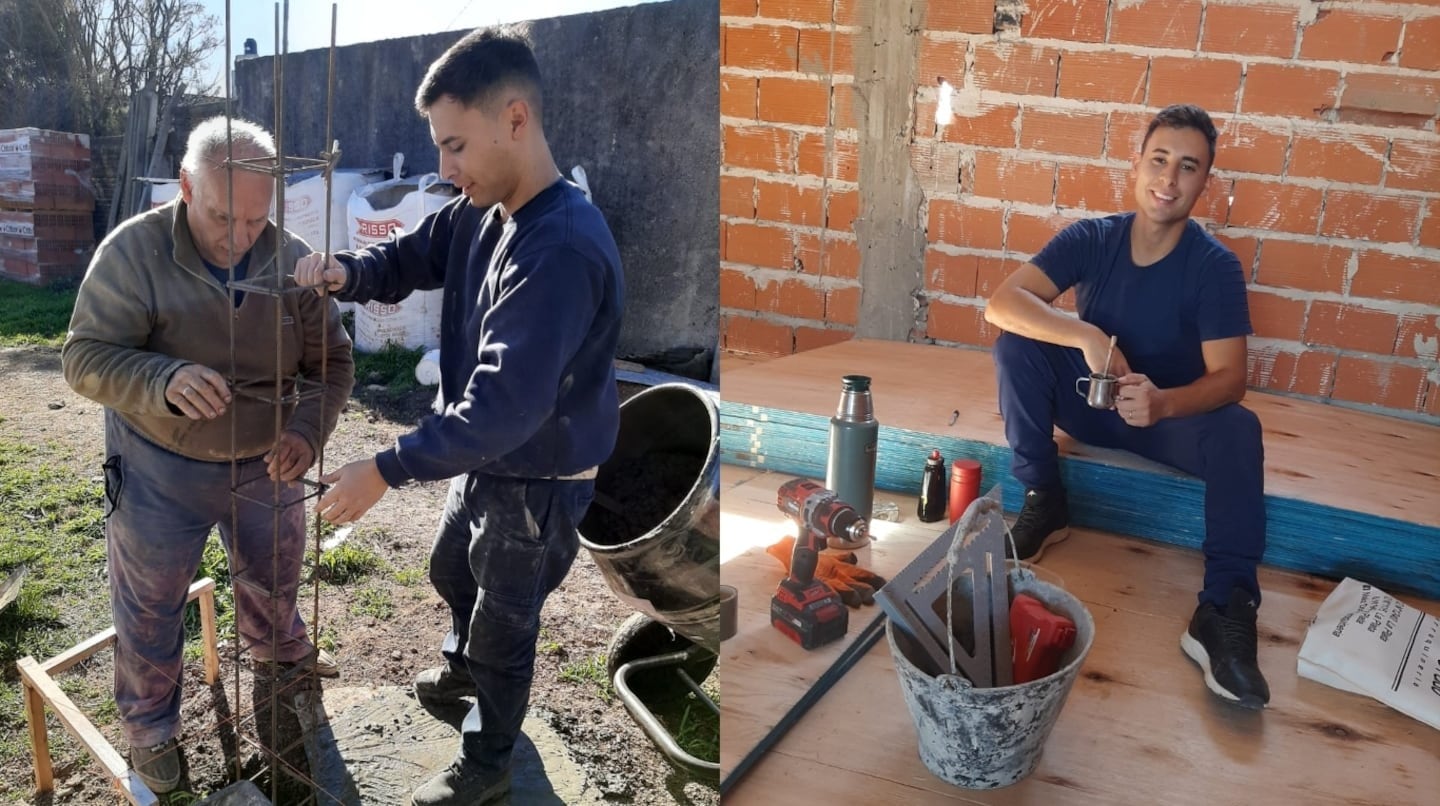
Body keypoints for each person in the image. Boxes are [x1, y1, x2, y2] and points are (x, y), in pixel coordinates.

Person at [293, 29, 624, 805]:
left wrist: (384, 467)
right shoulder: (482, 208)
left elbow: (506, 406)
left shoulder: (561, 249)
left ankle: (489, 759)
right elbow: (416, 254)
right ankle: (459, 668)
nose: (444, 168)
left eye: (454, 145)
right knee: (452, 569)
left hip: (539, 471)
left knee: (506, 627)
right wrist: (351, 273)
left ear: (515, 119)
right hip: (487, 452)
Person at [61, 116, 355, 793]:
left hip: (268, 463)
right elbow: (83, 358)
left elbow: (332, 364)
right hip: (159, 464)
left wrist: (306, 435)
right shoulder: (133, 253)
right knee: (150, 608)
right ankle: (152, 734)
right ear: (186, 189)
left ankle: (283, 686)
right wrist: (161, 380)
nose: (240, 237)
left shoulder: (293, 260)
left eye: (256, 220)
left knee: (276, 588)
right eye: (224, 217)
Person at [983, 104, 1269, 709]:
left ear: (1203, 182)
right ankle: (1044, 498)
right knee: (1016, 349)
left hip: (1165, 423)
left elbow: (1230, 379)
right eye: (1159, 160)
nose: (1169, 178)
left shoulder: (1214, 267)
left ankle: (1222, 611)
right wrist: (1084, 335)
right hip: (1092, 407)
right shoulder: (1093, 238)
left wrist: (1165, 404)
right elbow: (1002, 303)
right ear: (1137, 165)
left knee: (1240, 430)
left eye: (1188, 167)